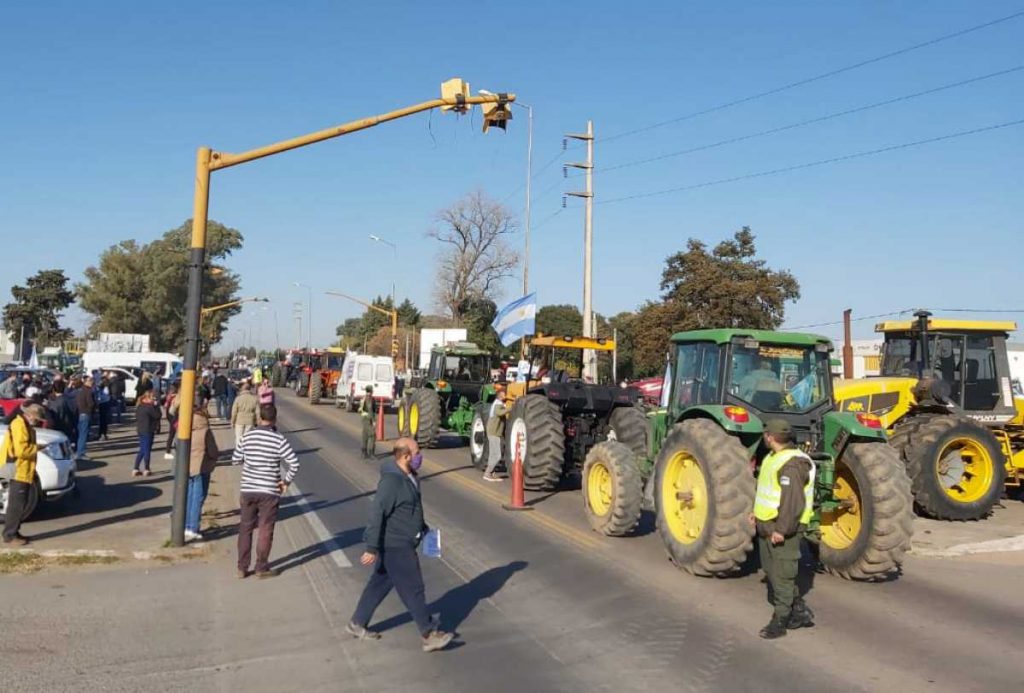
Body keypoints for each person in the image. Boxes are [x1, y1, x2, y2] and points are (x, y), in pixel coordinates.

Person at [348, 438, 453, 651]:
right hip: (396, 544)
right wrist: (371, 547)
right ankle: (428, 633)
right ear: (405, 456)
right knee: (413, 588)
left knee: (379, 583)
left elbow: (410, 509)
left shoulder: (410, 476)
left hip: (403, 540)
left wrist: (423, 529)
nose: (420, 455)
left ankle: (357, 622)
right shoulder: (392, 482)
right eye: (417, 452)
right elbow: (378, 513)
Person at [751, 419, 816, 639]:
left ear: (770, 437)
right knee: (771, 571)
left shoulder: (793, 464)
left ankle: (780, 621)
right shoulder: (772, 457)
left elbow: (793, 502)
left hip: (782, 528)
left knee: (783, 576)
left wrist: (783, 530)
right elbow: (768, 491)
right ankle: (798, 610)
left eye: (765, 435)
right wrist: (756, 513)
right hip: (767, 524)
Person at [232, 403, 299, 578]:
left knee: (245, 528)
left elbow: (236, 459)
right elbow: (294, 463)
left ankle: (242, 567)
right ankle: (261, 567)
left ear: (259, 417)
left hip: (248, 489)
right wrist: (285, 482)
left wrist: (250, 462)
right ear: (275, 419)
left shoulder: (248, 436)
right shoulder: (279, 439)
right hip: (269, 490)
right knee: (265, 529)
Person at [1, 403, 46, 545]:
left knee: (20, 503)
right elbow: (21, 451)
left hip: (22, 468)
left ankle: (14, 531)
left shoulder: (23, 424)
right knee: (17, 504)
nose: (38, 421)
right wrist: (37, 448)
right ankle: (10, 535)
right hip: (18, 468)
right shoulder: (19, 425)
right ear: (30, 415)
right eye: (37, 418)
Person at [183, 396, 219, 541]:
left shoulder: (185, 426)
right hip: (201, 466)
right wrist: (215, 457)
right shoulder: (205, 429)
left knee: (189, 497)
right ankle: (193, 528)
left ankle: (185, 525)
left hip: (187, 466)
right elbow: (213, 450)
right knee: (198, 498)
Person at [133, 391, 161, 477]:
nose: (154, 400)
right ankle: (147, 468)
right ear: (148, 398)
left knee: (142, 449)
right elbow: (158, 415)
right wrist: (156, 406)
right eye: (152, 398)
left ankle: (136, 468)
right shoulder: (149, 407)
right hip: (148, 430)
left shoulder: (139, 406)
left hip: (140, 430)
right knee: (147, 449)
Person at [483, 387, 507, 481]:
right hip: (494, 432)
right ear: (500, 394)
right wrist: (509, 408)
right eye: (504, 393)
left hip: (494, 431)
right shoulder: (498, 404)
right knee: (497, 455)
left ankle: (492, 473)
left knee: (493, 454)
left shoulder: (498, 403)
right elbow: (499, 413)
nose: (506, 395)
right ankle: (487, 473)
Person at [231, 381, 259, 445]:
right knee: (248, 438)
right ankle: (247, 451)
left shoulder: (238, 398)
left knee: (239, 437)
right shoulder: (254, 399)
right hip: (250, 421)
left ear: (242, 389)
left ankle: (239, 451)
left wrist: (232, 421)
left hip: (239, 420)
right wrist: (256, 422)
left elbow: (234, 412)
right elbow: (257, 412)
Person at [74, 375, 95, 461]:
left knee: (80, 434)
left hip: (80, 414)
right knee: (83, 434)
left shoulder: (79, 390)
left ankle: (79, 451)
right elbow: (91, 404)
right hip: (86, 414)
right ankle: (81, 453)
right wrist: (93, 407)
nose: (92, 382)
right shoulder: (88, 391)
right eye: (90, 381)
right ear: (85, 382)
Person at [163, 384, 180, 460]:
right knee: (173, 434)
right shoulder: (175, 397)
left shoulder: (169, 397)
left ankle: (169, 450)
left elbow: (166, 408)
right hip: (174, 418)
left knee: (172, 435)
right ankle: (168, 451)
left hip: (171, 418)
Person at [359, 385, 376, 460]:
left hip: (363, 418)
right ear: (371, 391)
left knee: (364, 435)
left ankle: (363, 452)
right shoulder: (369, 399)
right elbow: (370, 410)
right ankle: (371, 453)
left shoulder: (363, 398)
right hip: (368, 418)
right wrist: (373, 420)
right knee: (372, 436)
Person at [96, 375, 112, 441]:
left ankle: (103, 434)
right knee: (102, 420)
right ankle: (101, 434)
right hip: (104, 404)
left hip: (103, 404)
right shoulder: (103, 388)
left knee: (103, 420)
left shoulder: (105, 388)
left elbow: (104, 397)